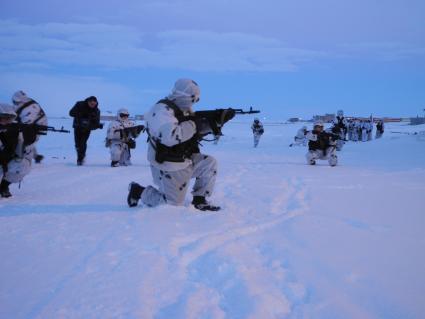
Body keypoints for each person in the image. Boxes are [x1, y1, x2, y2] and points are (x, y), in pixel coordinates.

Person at [127, 78, 234, 211]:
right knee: (170, 205)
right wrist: (195, 123)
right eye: (194, 99)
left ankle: (200, 200)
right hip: (168, 164)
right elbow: (171, 137)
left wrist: (217, 121)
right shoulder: (161, 111)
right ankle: (138, 191)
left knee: (209, 164)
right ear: (184, 96)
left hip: (183, 158)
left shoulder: (183, 109)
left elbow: (195, 132)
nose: (195, 102)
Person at [0, 103, 35, 197]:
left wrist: (29, 134)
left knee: (22, 165)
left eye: (10, 118)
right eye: (5, 117)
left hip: (5, 159)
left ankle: (3, 186)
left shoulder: (14, 130)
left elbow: (25, 143)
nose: (8, 121)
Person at [11, 90, 48, 164]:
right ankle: (36, 156)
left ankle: (26, 162)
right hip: (30, 126)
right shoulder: (21, 104)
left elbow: (27, 121)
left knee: (28, 143)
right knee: (26, 140)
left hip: (38, 126)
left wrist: (14, 124)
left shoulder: (31, 107)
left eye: (15, 101)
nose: (14, 102)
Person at [69, 96, 103, 165]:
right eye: (91, 103)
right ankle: (80, 156)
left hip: (87, 129)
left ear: (96, 103)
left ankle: (80, 159)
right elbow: (71, 113)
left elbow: (96, 123)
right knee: (77, 144)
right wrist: (80, 114)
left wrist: (98, 126)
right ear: (88, 102)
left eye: (94, 104)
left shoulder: (97, 111)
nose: (92, 105)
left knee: (83, 143)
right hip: (77, 127)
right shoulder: (79, 104)